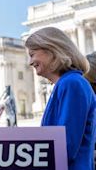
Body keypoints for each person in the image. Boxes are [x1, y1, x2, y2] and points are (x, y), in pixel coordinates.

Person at [25, 27, 96, 169]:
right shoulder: (66, 84)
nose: (30, 62)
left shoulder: (72, 83)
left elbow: (65, 145)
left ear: (51, 50)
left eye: (32, 54)